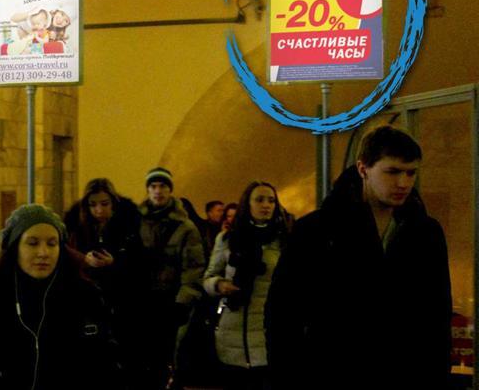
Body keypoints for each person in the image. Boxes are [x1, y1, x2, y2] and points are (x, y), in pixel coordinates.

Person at [265, 125, 453, 390]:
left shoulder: (426, 232)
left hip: (406, 375)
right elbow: (283, 313)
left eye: (411, 172)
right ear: (363, 168)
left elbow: (437, 314)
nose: (404, 183)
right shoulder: (318, 230)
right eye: (392, 172)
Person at [0, 204, 120, 390]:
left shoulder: (86, 298)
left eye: (52, 243)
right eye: (32, 243)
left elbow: (107, 367)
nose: (43, 253)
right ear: (15, 248)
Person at [203, 181, 288, 390]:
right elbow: (209, 277)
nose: (266, 205)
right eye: (259, 200)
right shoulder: (228, 239)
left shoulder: (283, 240)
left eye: (271, 200)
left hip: (267, 331)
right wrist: (219, 285)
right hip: (232, 330)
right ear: (247, 204)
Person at [66, 178, 148, 389]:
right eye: (93, 205)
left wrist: (116, 262)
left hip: (123, 300)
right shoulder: (76, 225)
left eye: (104, 204)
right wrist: (84, 259)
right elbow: (66, 253)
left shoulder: (130, 224)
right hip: (87, 300)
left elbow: (141, 263)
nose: (99, 210)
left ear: (113, 203)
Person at [139, 167, 206, 389]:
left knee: (169, 356)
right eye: (153, 186)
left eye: (163, 186)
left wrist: (183, 301)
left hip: (171, 300)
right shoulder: (136, 222)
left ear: (170, 190)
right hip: (142, 300)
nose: (158, 191)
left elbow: (193, 267)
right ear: (148, 190)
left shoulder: (185, 227)